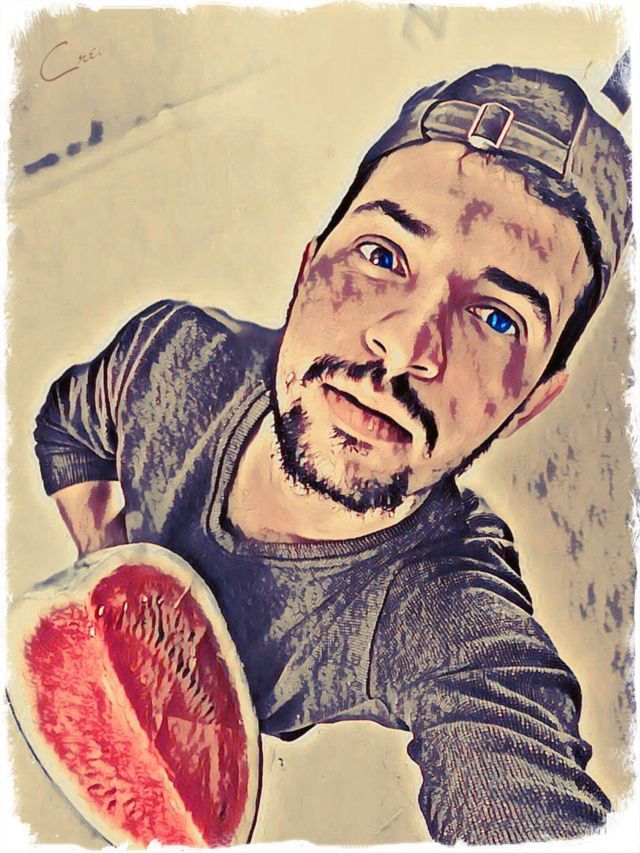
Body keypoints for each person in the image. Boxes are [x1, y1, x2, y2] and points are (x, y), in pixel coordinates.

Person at [33, 64, 631, 844]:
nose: (404, 345)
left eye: (497, 318)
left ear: (530, 405)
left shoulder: (443, 616)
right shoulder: (167, 355)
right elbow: (69, 425)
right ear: (307, 265)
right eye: (382, 254)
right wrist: (105, 563)